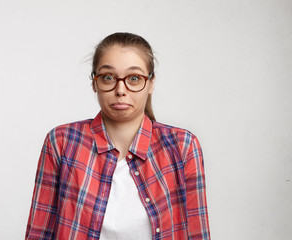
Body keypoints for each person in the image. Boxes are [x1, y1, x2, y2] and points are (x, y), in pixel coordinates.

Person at [25, 32, 210, 240]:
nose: (121, 90)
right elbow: (39, 233)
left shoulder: (183, 146)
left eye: (134, 78)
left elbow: (197, 233)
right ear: (94, 83)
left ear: (151, 83)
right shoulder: (61, 142)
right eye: (108, 77)